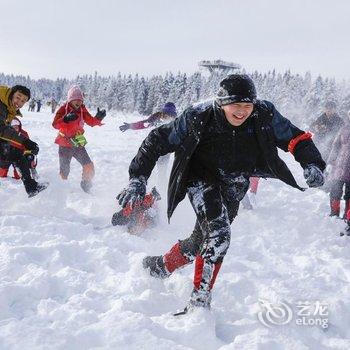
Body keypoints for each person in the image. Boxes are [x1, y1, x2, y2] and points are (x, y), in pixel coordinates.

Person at [116, 74, 326, 314]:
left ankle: (162, 265)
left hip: (234, 183)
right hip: (200, 178)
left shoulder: (264, 114)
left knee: (201, 240)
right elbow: (157, 140)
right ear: (222, 103)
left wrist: (312, 163)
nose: (242, 112)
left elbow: (295, 137)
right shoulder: (198, 116)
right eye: (236, 106)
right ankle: (199, 304)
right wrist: (137, 178)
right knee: (218, 235)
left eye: (247, 106)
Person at [52, 85, 106, 193]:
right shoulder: (63, 109)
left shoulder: (82, 110)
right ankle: (60, 191)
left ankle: (86, 185)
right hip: (65, 144)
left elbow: (91, 121)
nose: (78, 102)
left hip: (78, 143)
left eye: (80, 100)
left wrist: (98, 118)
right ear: (70, 100)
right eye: (75, 99)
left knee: (88, 165)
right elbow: (55, 124)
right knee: (64, 170)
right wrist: (65, 119)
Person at [0, 85, 47, 197]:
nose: (19, 102)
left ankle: (31, 187)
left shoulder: (7, 108)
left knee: (16, 154)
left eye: (23, 101)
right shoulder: (1, 105)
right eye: (18, 97)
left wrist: (25, 141)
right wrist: (24, 141)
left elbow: (6, 129)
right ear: (11, 94)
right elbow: (1, 129)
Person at [326, 110, 350, 217]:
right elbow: (335, 146)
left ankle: (347, 218)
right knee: (335, 191)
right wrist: (331, 162)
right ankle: (334, 215)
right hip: (339, 166)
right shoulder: (344, 129)